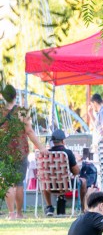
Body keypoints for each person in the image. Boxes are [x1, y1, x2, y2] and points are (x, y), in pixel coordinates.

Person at [2, 85, 44, 219]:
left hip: (4, 151)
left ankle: (11, 214)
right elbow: (29, 131)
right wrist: (41, 147)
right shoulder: (22, 111)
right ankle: (19, 213)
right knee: (19, 183)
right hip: (20, 151)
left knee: (7, 182)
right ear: (15, 96)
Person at [43, 128, 87, 216]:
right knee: (84, 181)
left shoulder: (47, 154)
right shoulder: (68, 153)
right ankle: (83, 208)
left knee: (44, 180)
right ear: (63, 141)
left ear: (53, 142)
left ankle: (49, 206)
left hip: (49, 186)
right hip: (65, 185)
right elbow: (76, 172)